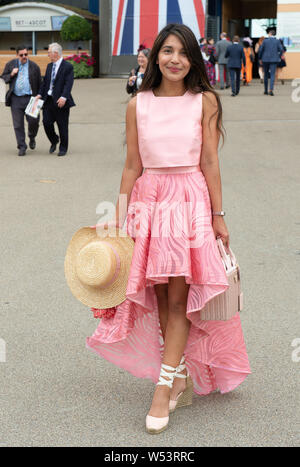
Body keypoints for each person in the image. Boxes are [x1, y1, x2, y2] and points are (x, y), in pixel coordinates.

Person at [86, 23, 250, 434]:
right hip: (149, 200)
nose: (174, 59)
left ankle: (163, 390)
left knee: (179, 298)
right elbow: (131, 165)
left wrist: (218, 214)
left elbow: (210, 161)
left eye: (183, 52)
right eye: (167, 50)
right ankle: (176, 375)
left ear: (193, 59)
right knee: (159, 296)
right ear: (155, 56)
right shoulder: (137, 104)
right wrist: (122, 219)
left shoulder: (204, 101)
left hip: (189, 200)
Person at [35, 43, 75, 156]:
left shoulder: (67, 67)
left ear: (55, 53)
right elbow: (45, 84)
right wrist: (39, 94)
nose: (48, 55)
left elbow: (68, 84)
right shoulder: (49, 66)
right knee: (46, 123)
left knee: (62, 126)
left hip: (60, 101)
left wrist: (64, 97)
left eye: (49, 53)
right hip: (48, 100)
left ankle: (63, 148)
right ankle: (54, 140)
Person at [1, 45, 41, 156]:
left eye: (26, 54)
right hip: (16, 99)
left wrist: (39, 96)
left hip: (31, 98)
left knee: (34, 122)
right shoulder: (11, 64)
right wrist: (12, 74)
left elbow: (40, 83)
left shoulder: (34, 66)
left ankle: (32, 137)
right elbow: (3, 77)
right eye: (21, 55)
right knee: (18, 125)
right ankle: (22, 146)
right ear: (17, 55)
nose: (24, 56)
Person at [258, 28, 283, 96]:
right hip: (274, 60)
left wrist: (260, 58)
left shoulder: (265, 41)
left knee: (266, 74)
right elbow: (281, 50)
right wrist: (279, 56)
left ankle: (265, 90)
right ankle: (271, 90)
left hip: (265, 60)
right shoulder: (277, 41)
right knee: (272, 75)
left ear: (270, 34)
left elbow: (260, 50)